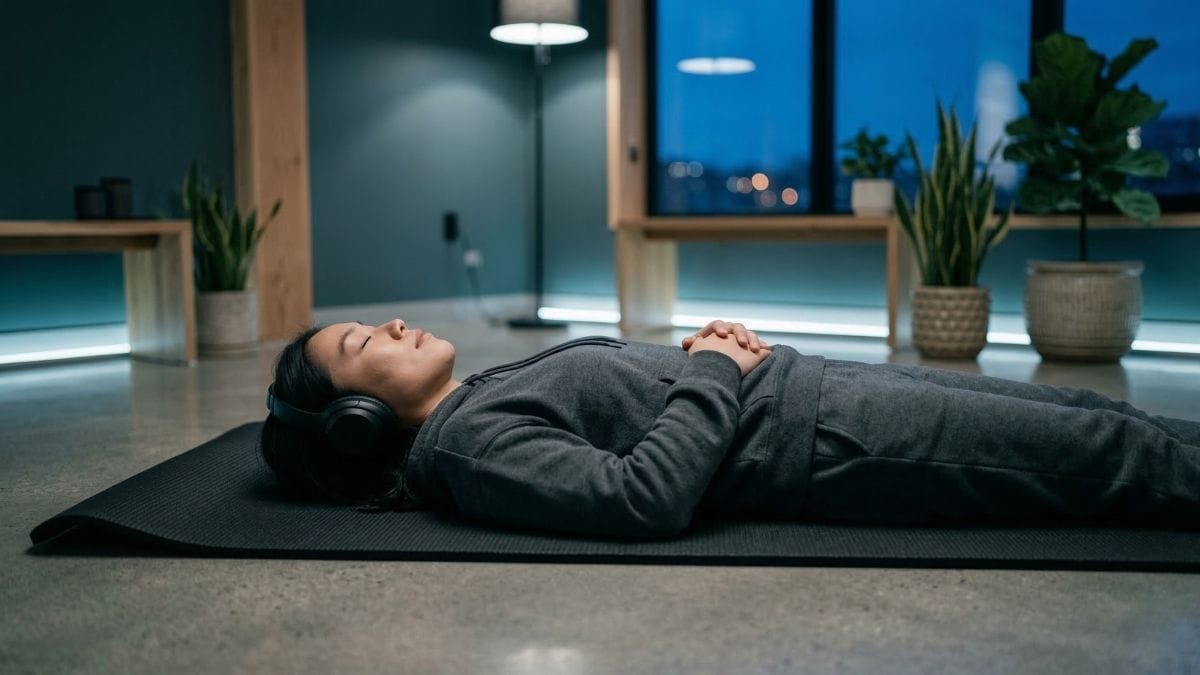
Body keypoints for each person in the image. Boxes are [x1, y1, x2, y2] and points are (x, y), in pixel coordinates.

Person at [259, 318, 1200, 539]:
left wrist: (707, 354)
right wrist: (713, 367)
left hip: (817, 393)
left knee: (1100, 417)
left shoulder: (477, 397)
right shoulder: (470, 448)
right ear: (356, 421)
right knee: (1112, 457)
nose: (392, 324)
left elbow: (630, 409)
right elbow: (641, 497)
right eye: (361, 341)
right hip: (832, 438)